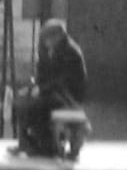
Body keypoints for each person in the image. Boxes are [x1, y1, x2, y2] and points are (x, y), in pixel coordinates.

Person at [13, 18, 87, 156]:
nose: (46, 42)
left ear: (58, 37)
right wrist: (34, 86)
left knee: (36, 106)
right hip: (53, 92)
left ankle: (45, 145)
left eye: (48, 38)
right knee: (20, 101)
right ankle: (26, 143)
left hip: (68, 96)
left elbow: (63, 80)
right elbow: (43, 74)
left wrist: (42, 89)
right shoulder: (50, 50)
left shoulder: (70, 52)